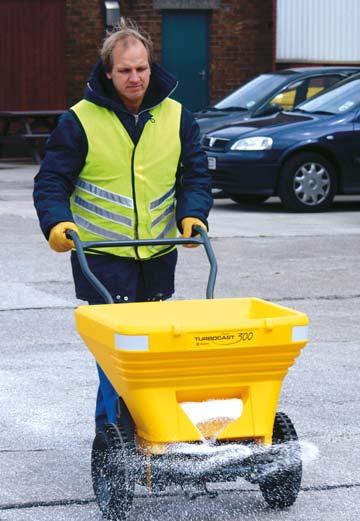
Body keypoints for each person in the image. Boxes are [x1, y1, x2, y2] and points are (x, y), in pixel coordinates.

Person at [33, 19, 212, 432]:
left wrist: (192, 214)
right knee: (117, 353)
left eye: (142, 68)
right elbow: (52, 180)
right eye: (126, 70)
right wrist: (57, 223)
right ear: (108, 73)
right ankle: (112, 440)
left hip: (157, 252)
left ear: (151, 67)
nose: (136, 77)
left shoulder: (177, 117)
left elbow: (195, 176)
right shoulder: (80, 121)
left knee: (151, 352)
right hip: (101, 259)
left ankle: (151, 429)